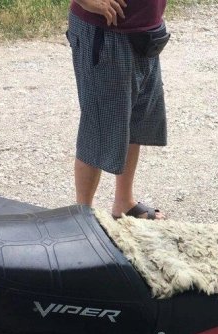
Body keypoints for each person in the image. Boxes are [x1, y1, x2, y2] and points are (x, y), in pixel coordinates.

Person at [67, 0, 168, 219]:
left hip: (146, 30)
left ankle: (124, 202)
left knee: (134, 118)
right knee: (98, 126)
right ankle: (82, 215)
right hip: (105, 32)